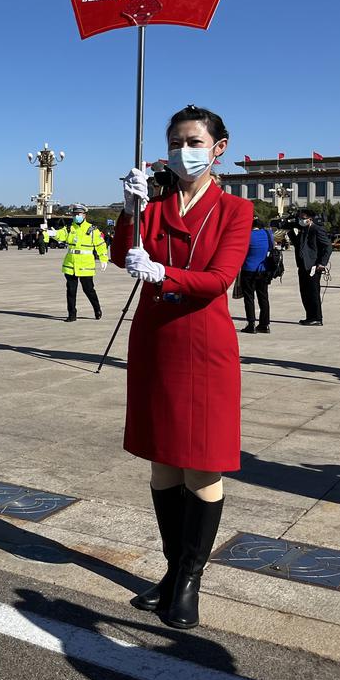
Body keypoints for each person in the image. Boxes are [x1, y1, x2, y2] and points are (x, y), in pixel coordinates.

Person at [115, 104, 252, 631]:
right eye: (175, 142)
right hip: (155, 340)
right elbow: (118, 253)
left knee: (202, 463)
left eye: (193, 142)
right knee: (163, 462)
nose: (182, 151)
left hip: (202, 344)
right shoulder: (154, 201)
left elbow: (219, 278)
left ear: (219, 148)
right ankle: (172, 572)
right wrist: (129, 211)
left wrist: (164, 272)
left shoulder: (235, 211)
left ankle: (191, 579)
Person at [50, 204, 108, 322]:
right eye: (75, 214)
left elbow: (101, 245)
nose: (77, 216)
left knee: (89, 290)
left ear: (84, 215)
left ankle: (97, 309)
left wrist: (103, 258)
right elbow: (61, 235)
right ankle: (72, 314)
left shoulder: (92, 229)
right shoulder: (69, 228)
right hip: (71, 264)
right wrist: (53, 234)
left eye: (79, 214)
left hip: (86, 265)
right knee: (71, 290)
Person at [289, 208, 331, 326]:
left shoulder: (317, 229)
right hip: (302, 265)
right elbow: (299, 245)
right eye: (300, 218)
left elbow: (327, 247)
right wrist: (290, 231)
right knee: (304, 292)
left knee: (313, 292)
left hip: (313, 266)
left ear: (310, 219)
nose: (301, 220)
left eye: (303, 218)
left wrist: (322, 263)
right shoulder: (303, 229)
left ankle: (317, 318)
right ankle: (310, 316)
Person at [239, 219, 272, 333]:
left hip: (248, 269)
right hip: (263, 269)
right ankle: (265, 324)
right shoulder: (268, 234)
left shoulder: (247, 236)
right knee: (263, 297)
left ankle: (251, 323)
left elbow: (242, 251)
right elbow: (271, 248)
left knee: (249, 297)